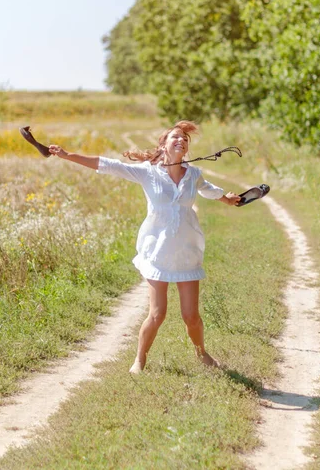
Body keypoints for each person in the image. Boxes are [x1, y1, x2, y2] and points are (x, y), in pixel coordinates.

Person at [49, 120, 241, 374]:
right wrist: (67, 155)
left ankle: (202, 353)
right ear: (163, 145)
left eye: (185, 139)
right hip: (158, 251)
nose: (181, 141)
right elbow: (107, 165)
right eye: (175, 137)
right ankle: (140, 359)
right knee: (157, 314)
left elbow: (208, 190)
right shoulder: (147, 172)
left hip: (186, 250)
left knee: (191, 316)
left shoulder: (193, 174)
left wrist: (227, 198)